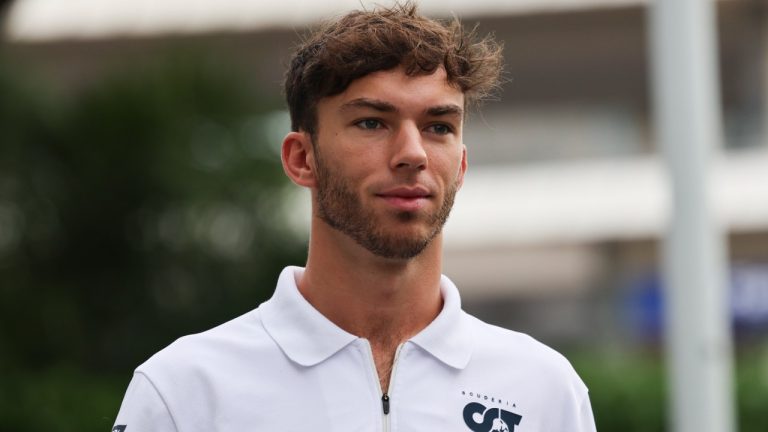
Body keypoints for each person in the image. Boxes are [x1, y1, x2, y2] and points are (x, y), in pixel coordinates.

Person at [112, 2, 596, 431]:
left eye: (438, 126)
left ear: (462, 164)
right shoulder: (184, 391)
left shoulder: (545, 392)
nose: (413, 154)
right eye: (372, 122)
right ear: (302, 158)